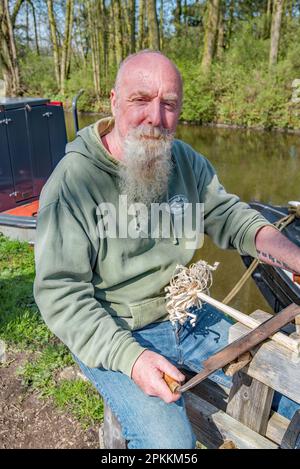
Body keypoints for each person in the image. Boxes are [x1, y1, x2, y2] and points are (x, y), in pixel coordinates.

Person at [34, 50, 300, 449]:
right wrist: (133, 358)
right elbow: (61, 296)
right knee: (168, 444)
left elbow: (231, 217)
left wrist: (293, 256)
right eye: (141, 100)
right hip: (113, 327)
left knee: (289, 381)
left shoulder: (184, 161)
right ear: (113, 101)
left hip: (185, 314)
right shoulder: (73, 184)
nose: (156, 118)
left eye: (169, 104)